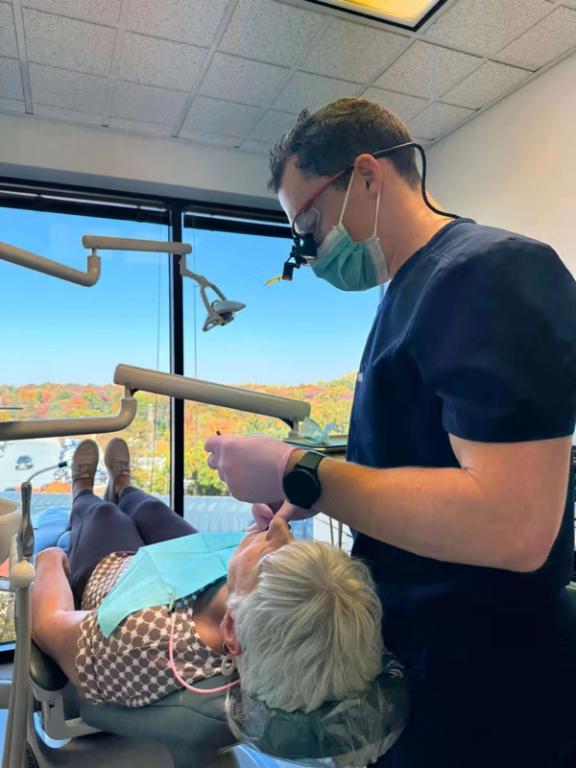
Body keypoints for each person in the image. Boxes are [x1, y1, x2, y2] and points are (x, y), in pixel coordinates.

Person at [204, 98, 576, 767]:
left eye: (307, 225)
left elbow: (516, 526)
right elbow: (418, 459)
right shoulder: (406, 293)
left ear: (368, 177)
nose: (307, 252)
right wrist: (303, 496)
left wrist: (300, 469)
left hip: (487, 690)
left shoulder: (488, 273)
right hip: (425, 661)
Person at [31, 437, 385, 717]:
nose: (281, 528)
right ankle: (124, 485)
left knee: (104, 516)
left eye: (272, 557)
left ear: (231, 629)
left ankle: (82, 490)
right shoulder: (259, 620)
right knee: (150, 508)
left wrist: (48, 562)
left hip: (116, 578)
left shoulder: (142, 640)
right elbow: (262, 590)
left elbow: (49, 624)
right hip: (198, 573)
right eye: (294, 545)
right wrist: (261, 538)